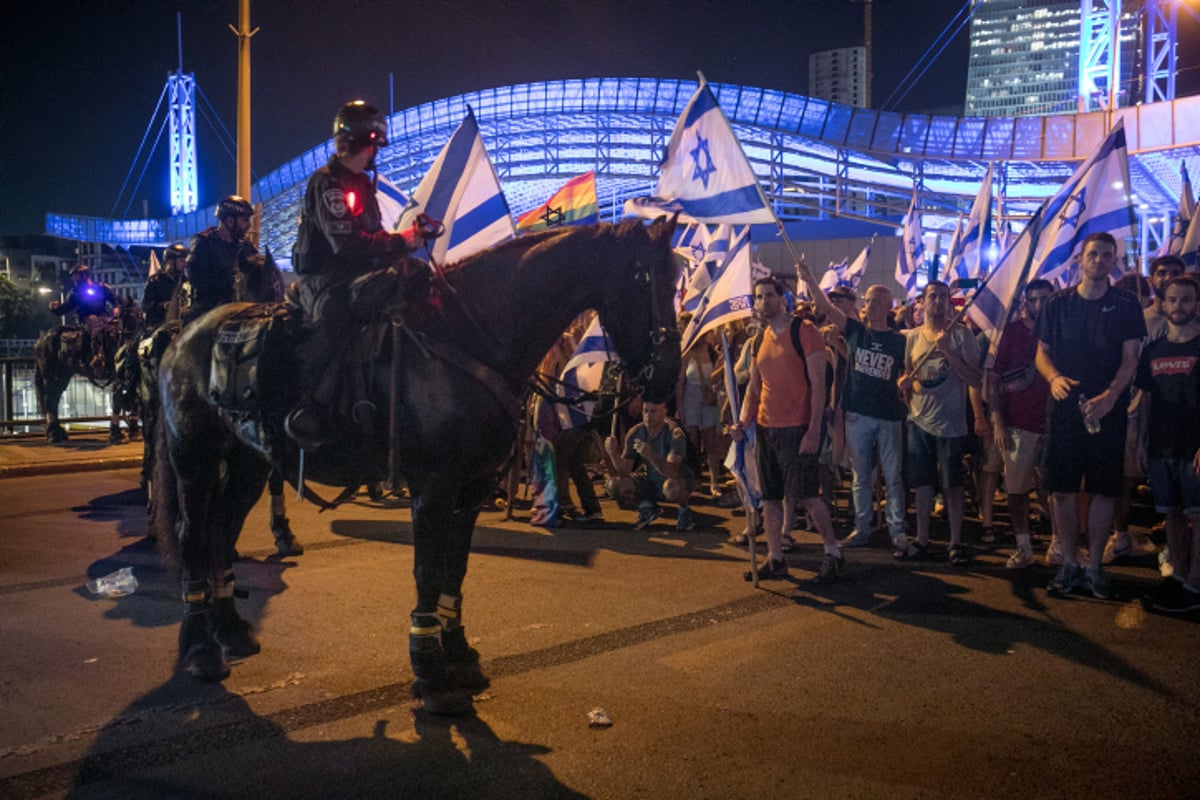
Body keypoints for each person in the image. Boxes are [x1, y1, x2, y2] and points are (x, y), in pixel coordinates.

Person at [286, 100, 431, 448]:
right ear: (366, 142)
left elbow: (373, 235)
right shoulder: (328, 183)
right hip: (327, 281)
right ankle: (305, 404)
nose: (375, 154)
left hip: (361, 276)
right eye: (375, 146)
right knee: (337, 321)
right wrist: (403, 241)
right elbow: (346, 245)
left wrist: (406, 246)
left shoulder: (362, 183)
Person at [1036, 232, 1146, 599]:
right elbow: (1042, 354)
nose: (1099, 260)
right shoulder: (1056, 304)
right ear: (1080, 261)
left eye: (1106, 255)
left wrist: (1112, 396)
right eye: (1093, 254)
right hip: (1065, 410)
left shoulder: (1127, 304)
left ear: (1114, 261)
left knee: (1103, 490)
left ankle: (1095, 566)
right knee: (1062, 490)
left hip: (1108, 411)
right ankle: (1069, 563)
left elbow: (1131, 359)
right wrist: (1052, 378)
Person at [732, 276, 843, 582]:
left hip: (798, 425)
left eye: (769, 295)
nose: (763, 301)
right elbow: (754, 389)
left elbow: (820, 384)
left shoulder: (803, 331)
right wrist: (743, 422)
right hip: (768, 428)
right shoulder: (758, 340)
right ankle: (775, 557)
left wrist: (814, 429)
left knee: (807, 495)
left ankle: (832, 551)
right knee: (770, 498)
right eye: (758, 297)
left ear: (783, 299)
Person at [796, 265, 909, 554]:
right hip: (859, 414)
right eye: (867, 300)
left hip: (890, 416)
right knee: (860, 477)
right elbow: (825, 307)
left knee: (893, 477)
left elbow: (908, 373)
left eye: (875, 302)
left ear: (887, 307)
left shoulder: (900, 341)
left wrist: (905, 380)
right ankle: (862, 527)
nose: (869, 306)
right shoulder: (856, 331)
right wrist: (809, 279)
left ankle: (898, 531)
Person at [897, 279, 983, 566]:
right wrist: (904, 383)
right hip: (919, 421)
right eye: (932, 296)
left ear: (949, 301)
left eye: (943, 297)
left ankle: (955, 541)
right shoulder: (912, 337)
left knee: (952, 486)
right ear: (922, 301)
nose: (937, 301)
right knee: (922, 486)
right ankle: (922, 539)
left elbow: (975, 378)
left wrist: (947, 351)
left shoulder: (961, 335)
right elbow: (908, 377)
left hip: (951, 423)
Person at [1135, 274, 1200, 613]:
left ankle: (1195, 582)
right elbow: (1146, 399)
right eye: (1173, 300)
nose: (1179, 306)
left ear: (1196, 303)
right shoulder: (1154, 349)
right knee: (1172, 516)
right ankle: (1177, 576)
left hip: (1194, 448)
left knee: (1198, 516)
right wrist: (1143, 441)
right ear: (1163, 302)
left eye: (1186, 300)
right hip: (1161, 446)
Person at [984, 279, 1054, 569]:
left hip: (1054, 423)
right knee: (1016, 489)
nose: (1039, 305)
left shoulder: (1062, 331)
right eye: (1034, 299)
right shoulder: (1009, 334)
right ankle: (1023, 545)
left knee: (1057, 490)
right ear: (1025, 301)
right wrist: (998, 419)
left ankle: (1059, 545)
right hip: (1018, 423)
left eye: (1045, 299)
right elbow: (993, 380)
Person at [605, 400, 697, 531]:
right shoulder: (636, 432)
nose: (648, 415)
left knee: (671, 488)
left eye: (653, 411)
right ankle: (647, 506)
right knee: (615, 486)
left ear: (664, 412)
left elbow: (673, 471)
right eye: (645, 411)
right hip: (650, 478)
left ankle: (684, 509)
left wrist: (651, 456)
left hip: (675, 478)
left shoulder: (674, 433)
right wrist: (613, 453)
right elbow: (625, 470)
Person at [185, 195, 259, 321]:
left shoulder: (245, 246)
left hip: (241, 308)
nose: (249, 226)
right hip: (208, 310)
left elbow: (256, 271)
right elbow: (197, 279)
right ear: (230, 220)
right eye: (245, 220)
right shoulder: (203, 242)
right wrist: (229, 278)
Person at [49, 265, 119, 371]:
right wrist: (55, 308)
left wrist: (116, 308)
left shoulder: (101, 288)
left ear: (84, 275)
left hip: (104, 317)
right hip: (86, 319)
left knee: (117, 328)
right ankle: (98, 356)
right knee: (97, 328)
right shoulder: (75, 292)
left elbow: (114, 299)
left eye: (75, 276)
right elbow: (66, 307)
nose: (73, 279)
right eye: (73, 276)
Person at [142, 243, 188, 331]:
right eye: (181, 261)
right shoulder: (155, 281)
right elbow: (146, 305)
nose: (184, 264)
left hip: (181, 323)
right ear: (171, 261)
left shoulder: (185, 281)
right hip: (159, 324)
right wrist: (163, 306)